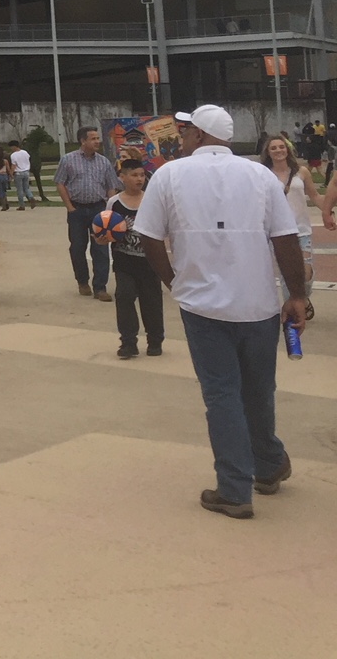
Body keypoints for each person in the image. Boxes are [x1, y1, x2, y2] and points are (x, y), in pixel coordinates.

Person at [134, 105, 310, 519]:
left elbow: (148, 237)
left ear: (198, 134)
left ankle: (234, 488)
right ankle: (267, 465)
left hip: (202, 305)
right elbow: (285, 239)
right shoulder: (260, 176)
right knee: (258, 389)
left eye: (185, 130)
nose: (181, 136)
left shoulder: (170, 175)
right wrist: (296, 295)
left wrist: (174, 282)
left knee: (222, 394)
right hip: (258, 304)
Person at [105, 158, 163, 359]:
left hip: (149, 262)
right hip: (124, 261)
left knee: (152, 301)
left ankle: (155, 340)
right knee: (124, 297)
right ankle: (128, 343)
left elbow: (162, 229)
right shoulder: (114, 202)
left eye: (142, 175)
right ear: (122, 177)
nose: (139, 179)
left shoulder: (151, 200)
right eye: (134, 175)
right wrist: (103, 237)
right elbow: (103, 231)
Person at [55, 126, 119, 300]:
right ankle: (82, 281)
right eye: (93, 138)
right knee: (77, 247)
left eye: (98, 138)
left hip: (99, 209)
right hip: (77, 209)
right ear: (83, 141)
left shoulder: (104, 162)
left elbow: (111, 186)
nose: (97, 141)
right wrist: (70, 207)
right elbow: (60, 183)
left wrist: (109, 211)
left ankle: (100, 287)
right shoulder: (68, 160)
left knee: (101, 248)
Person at [263, 133, 322, 319]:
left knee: (306, 270)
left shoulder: (301, 172)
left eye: (281, 147)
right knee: (286, 271)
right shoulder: (264, 174)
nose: (278, 151)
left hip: (301, 229)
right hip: (277, 231)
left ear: (287, 149)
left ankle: (302, 298)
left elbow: (315, 196)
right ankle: (293, 308)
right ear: (268, 152)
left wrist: (328, 211)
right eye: (273, 148)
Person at [8, 141, 35, 209]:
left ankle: (22, 205)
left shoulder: (13, 155)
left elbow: (13, 166)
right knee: (26, 188)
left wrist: (11, 174)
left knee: (19, 189)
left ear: (14, 146)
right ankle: (31, 197)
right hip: (26, 171)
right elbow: (28, 160)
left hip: (18, 173)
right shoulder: (25, 152)